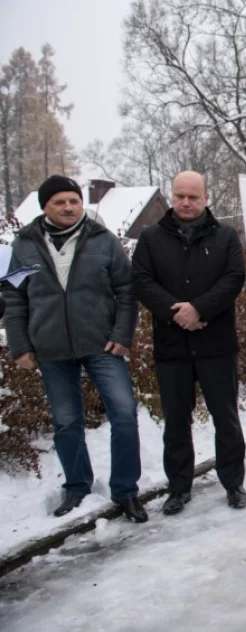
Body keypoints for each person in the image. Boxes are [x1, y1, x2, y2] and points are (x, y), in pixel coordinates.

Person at [1, 175, 148, 522]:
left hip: (102, 344)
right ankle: (77, 486)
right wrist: (20, 345)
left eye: (74, 201)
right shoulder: (23, 245)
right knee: (66, 422)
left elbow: (127, 291)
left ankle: (126, 490)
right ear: (45, 207)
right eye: (59, 202)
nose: (68, 207)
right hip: (51, 348)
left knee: (124, 414)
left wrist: (122, 335)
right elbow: (13, 297)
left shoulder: (103, 240)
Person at [132, 171, 246, 515]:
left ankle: (233, 483)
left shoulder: (225, 236)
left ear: (205, 198)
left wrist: (198, 309)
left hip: (216, 344)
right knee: (176, 423)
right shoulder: (150, 238)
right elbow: (141, 280)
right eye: (180, 196)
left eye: (193, 197)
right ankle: (179, 488)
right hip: (172, 347)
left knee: (226, 419)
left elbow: (233, 279)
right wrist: (177, 313)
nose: (185, 202)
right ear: (172, 196)